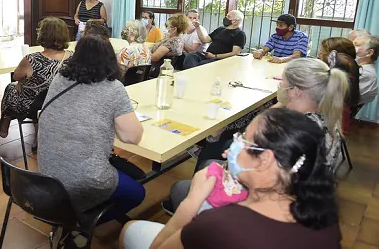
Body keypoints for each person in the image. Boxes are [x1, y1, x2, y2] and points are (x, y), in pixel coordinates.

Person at [120, 109, 341, 249]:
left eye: (243, 140)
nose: (229, 150)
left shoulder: (219, 224)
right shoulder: (324, 215)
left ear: (264, 159)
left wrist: (192, 201)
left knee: (130, 229)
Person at [164, 57, 347, 215]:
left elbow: (254, 175)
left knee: (182, 186)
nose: (279, 85)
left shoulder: (289, 129)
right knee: (210, 161)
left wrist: (236, 159)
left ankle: (194, 219)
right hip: (302, 201)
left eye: (282, 81)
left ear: (296, 90)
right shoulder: (326, 121)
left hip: (266, 205)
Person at [38, 35, 144, 226]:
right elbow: (132, 137)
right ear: (110, 59)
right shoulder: (113, 89)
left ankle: (80, 211)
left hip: (48, 174)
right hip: (84, 179)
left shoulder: (59, 78)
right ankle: (84, 221)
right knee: (137, 192)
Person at [0, 17, 72, 144]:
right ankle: (39, 136)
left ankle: (4, 126)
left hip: (34, 107)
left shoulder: (32, 59)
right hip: (63, 104)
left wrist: (20, 82)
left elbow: (16, 76)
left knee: (10, 87)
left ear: (43, 35)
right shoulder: (73, 57)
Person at [353, 35, 378, 105]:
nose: (351, 47)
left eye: (356, 45)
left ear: (369, 53)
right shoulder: (356, 64)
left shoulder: (366, 74)